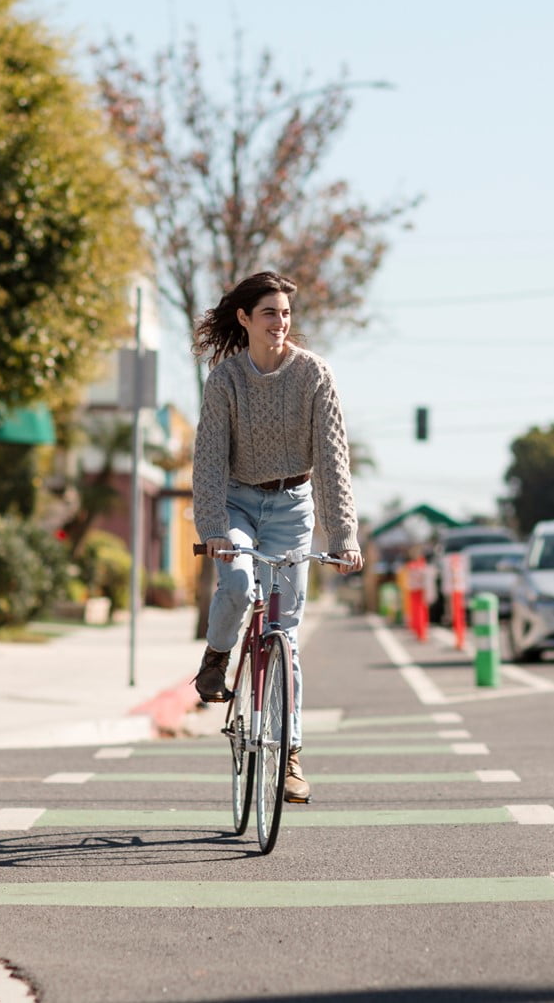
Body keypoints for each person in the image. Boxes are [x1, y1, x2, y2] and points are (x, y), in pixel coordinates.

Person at [190, 271, 363, 805]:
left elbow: (333, 458)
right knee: (239, 585)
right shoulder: (225, 380)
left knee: (285, 634)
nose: (281, 323)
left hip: (293, 506)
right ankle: (217, 658)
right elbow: (208, 461)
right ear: (244, 319)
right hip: (239, 502)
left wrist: (345, 536)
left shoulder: (314, 375)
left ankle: (288, 754)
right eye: (270, 313)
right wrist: (214, 529)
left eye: (286, 314)